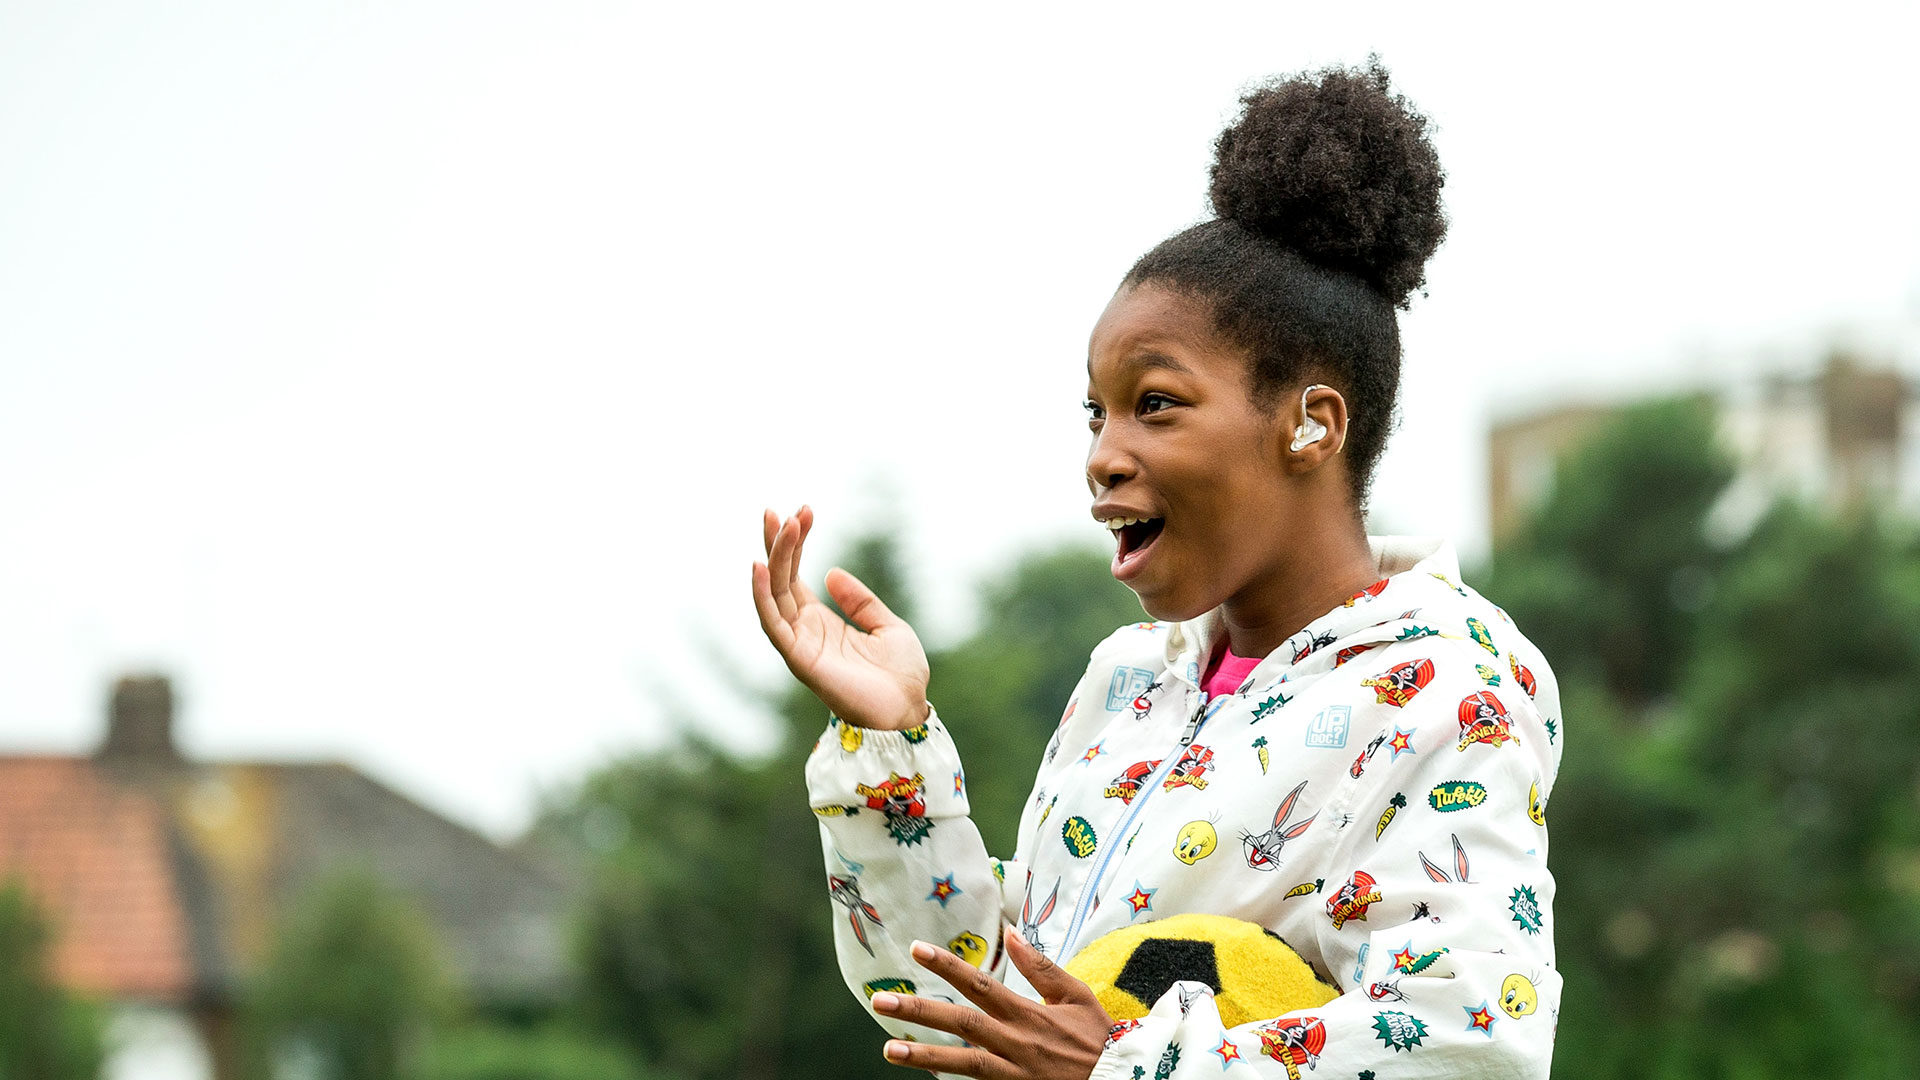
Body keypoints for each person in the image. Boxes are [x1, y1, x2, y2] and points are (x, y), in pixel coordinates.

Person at [751, 58, 1561, 1080]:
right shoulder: (1124, 681)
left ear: (1311, 423)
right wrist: (889, 753)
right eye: (1096, 411)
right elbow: (978, 1010)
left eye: (1156, 403)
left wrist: (1126, 1069)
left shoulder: (1450, 685)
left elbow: (1467, 1038)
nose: (1104, 453)